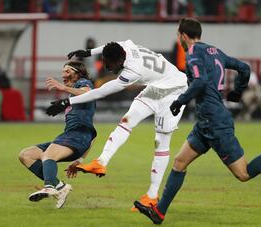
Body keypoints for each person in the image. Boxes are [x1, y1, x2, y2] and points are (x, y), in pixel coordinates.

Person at [134, 17, 261, 225]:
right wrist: (237, 92)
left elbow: (201, 81)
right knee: (179, 162)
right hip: (206, 121)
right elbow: (244, 68)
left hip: (215, 122)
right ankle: (159, 213)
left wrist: (181, 100)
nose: (178, 39)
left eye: (178, 35)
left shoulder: (193, 54)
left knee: (243, 173)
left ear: (184, 36)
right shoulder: (215, 51)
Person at [46, 40, 188, 211]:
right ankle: (101, 162)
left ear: (120, 61)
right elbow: (114, 43)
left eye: (109, 64)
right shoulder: (126, 47)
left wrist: (66, 102)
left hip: (174, 91)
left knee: (161, 142)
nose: (107, 68)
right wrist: (89, 52)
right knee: (126, 121)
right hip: (156, 87)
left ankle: (152, 196)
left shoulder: (132, 72)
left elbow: (99, 92)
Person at [18, 61, 97, 209]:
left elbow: (89, 92)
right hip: (72, 137)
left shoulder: (83, 82)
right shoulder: (73, 97)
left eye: (68, 71)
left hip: (78, 137)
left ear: (78, 73)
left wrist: (62, 88)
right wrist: (79, 160)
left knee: (48, 155)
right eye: (63, 72)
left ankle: (49, 187)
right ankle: (60, 187)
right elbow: (94, 136)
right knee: (26, 155)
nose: (63, 75)